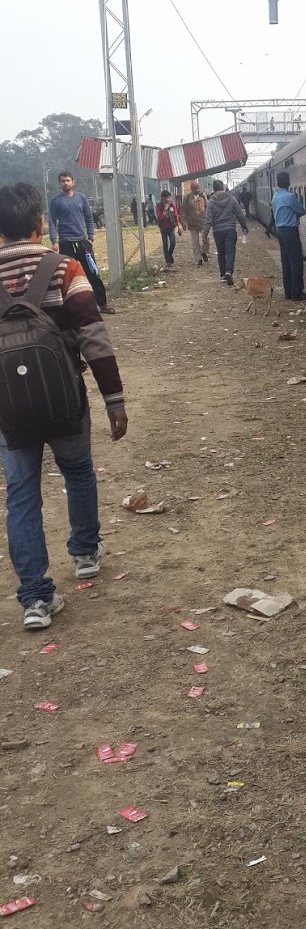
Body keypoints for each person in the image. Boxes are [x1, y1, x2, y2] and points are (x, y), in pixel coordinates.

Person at [0, 183, 127, 630]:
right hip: (65, 398)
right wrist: (114, 399)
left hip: (10, 411)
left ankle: (35, 598)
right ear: (39, 225)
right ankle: (86, 553)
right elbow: (93, 336)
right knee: (77, 472)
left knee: (21, 494)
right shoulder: (64, 267)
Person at [48, 172, 114, 315]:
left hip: (82, 241)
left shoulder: (81, 198)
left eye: (67, 180)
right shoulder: (55, 201)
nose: (65, 183)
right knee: (65, 276)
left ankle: (102, 304)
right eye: (62, 181)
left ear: (73, 182)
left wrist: (90, 236)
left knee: (92, 272)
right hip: (65, 242)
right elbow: (52, 222)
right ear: (59, 184)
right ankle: (66, 308)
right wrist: (54, 241)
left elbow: (89, 218)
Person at [201, 180, 248, 286]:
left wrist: (204, 234)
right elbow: (239, 214)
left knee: (221, 253)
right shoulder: (231, 199)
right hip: (230, 229)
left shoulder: (211, 202)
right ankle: (229, 271)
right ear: (222, 187)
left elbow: (208, 220)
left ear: (214, 189)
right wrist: (244, 227)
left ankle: (223, 275)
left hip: (218, 231)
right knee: (230, 252)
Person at [271, 172, 306, 301]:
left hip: (280, 231)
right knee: (296, 262)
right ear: (288, 182)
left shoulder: (275, 197)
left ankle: (288, 292)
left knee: (286, 263)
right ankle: (297, 293)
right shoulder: (289, 197)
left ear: (277, 182)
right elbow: (301, 210)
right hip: (290, 231)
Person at [180, 180, 208, 267]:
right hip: (192, 223)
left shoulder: (203, 196)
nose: (198, 190)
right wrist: (183, 222)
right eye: (196, 189)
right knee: (195, 242)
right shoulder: (187, 198)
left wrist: (205, 198)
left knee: (206, 239)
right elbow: (183, 211)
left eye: (199, 188)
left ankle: (204, 252)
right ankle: (198, 258)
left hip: (203, 222)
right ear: (192, 189)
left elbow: (209, 207)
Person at [156, 189, 181, 267]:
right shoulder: (158, 206)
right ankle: (168, 261)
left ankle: (169, 255)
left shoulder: (172, 205)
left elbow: (175, 215)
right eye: (167, 198)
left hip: (171, 227)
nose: (169, 199)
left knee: (173, 243)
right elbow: (161, 217)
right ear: (162, 198)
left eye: (170, 198)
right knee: (165, 244)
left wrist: (178, 225)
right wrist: (165, 208)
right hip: (163, 227)